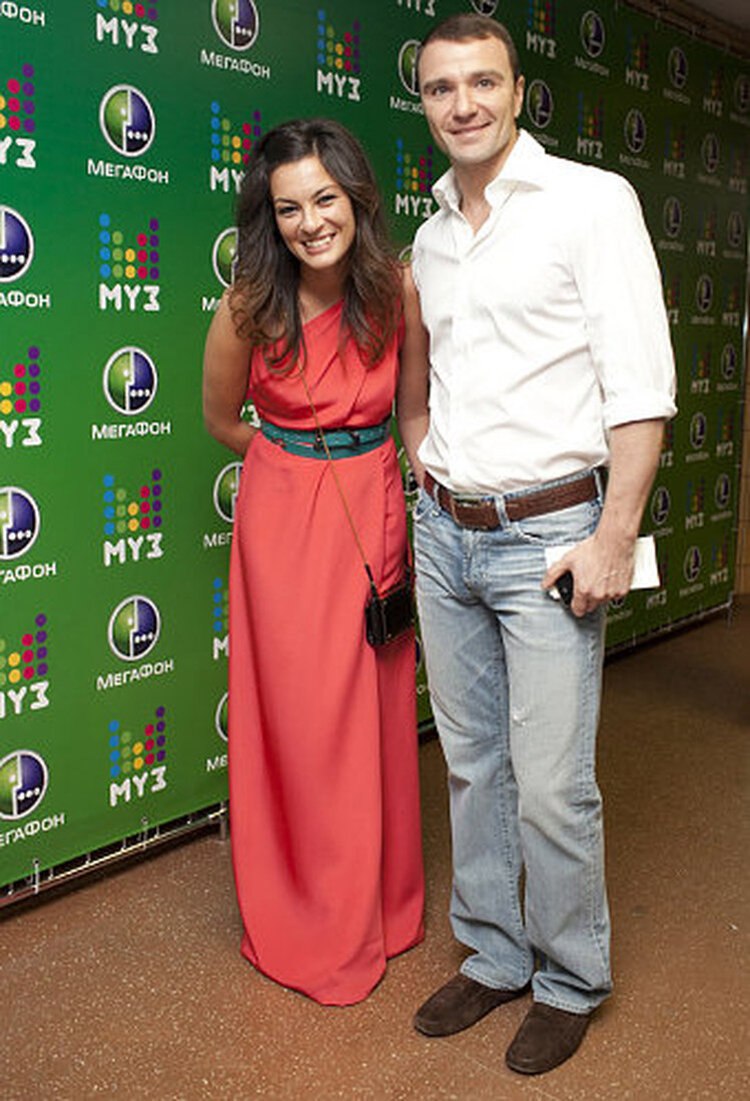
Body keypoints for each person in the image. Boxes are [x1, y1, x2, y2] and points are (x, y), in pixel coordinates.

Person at [397, 14, 676, 1074]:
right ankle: (495, 952)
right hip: (448, 534)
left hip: (553, 535)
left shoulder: (591, 202)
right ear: (424, 103)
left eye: (483, 82)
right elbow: (426, 386)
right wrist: (429, 468)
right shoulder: (430, 236)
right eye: (441, 88)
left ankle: (568, 977)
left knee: (553, 781)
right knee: (473, 766)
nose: (462, 103)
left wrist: (614, 534)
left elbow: (640, 386)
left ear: (519, 91)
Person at [203, 118, 426, 1006]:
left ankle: (384, 905)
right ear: (270, 217)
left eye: (325, 199)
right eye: (288, 207)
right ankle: (312, 919)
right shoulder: (248, 305)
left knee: (374, 705)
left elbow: (414, 412)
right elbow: (222, 420)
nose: (310, 222)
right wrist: (295, 463)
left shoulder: (396, 292)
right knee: (305, 718)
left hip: (375, 507)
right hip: (286, 521)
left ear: (357, 198)